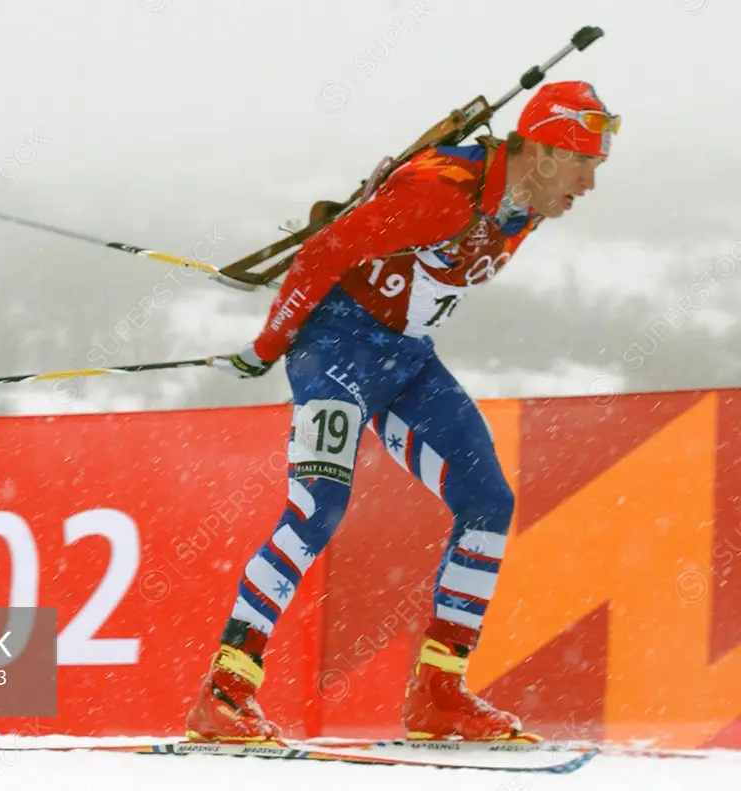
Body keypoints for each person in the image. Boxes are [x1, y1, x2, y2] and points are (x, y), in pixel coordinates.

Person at [185, 80, 619, 744]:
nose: (589, 184)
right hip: (335, 351)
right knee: (317, 510)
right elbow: (325, 252)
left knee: (489, 502)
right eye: (585, 163)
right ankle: (224, 694)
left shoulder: (525, 204)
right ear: (544, 151)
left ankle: (438, 696)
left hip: (406, 361)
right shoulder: (444, 196)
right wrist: (266, 346)